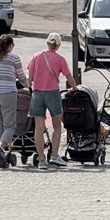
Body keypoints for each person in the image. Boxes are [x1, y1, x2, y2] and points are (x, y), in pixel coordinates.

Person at [25, 33, 77, 169]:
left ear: (47, 43)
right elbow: (68, 76)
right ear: (58, 45)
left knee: (39, 128)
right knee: (57, 125)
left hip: (37, 94)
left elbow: (29, 79)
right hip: (52, 93)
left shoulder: (36, 57)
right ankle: (54, 155)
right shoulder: (60, 59)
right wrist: (74, 87)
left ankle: (41, 160)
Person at [0, 33, 28, 170]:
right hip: (7, 92)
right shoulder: (14, 58)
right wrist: (27, 85)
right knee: (10, 125)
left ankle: (0, 158)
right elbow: (21, 76)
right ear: (9, 46)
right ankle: (1, 148)